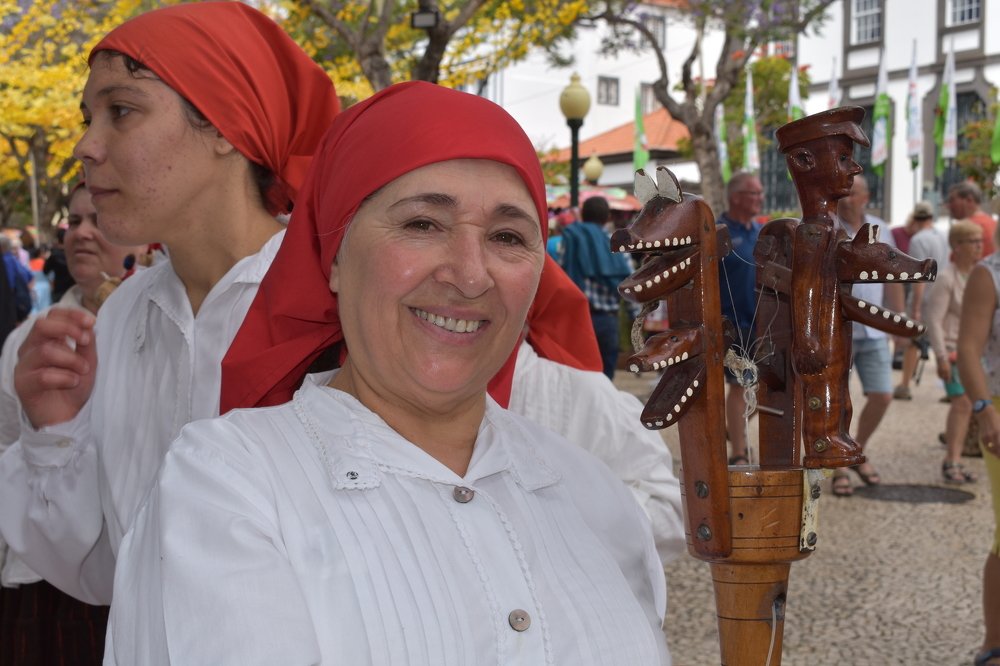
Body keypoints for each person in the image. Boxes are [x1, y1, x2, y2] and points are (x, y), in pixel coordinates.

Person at [108, 81, 670, 666]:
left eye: (508, 237)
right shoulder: (228, 488)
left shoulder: (596, 497)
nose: (470, 274)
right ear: (334, 258)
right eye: (422, 224)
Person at [0, 1, 343, 608]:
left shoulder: (340, 302)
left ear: (221, 126)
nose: (85, 145)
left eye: (121, 111)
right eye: (89, 117)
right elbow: (110, 574)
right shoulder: (125, 313)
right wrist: (54, 432)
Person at [0, 184, 141, 664]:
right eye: (73, 222)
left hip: (139, 577)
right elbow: (8, 446)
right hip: (47, 581)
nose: (82, 234)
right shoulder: (28, 340)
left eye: (98, 219)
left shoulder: (163, 330)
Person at [831, 177, 904, 495]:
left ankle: (856, 449)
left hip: (873, 329)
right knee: (839, 401)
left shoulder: (880, 228)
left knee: (882, 394)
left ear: (866, 197)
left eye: (852, 193)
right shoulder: (830, 227)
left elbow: (893, 276)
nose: (846, 199)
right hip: (838, 327)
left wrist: (898, 322)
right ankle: (839, 463)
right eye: (843, 193)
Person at [957, 224, 1000, 666]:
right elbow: (968, 348)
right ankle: (995, 641)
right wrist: (985, 408)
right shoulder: (990, 274)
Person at [925, 220, 982, 484]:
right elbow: (933, 319)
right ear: (957, 246)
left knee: (970, 406)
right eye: (973, 241)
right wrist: (939, 356)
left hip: (976, 351)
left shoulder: (978, 274)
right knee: (962, 405)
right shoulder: (947, 277)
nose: (979, 246)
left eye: (980, 240)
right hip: (952, 350)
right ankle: (952, 460)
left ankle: (957, 458)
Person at [716, 171, 764, 465]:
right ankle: (738, 454)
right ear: (735, 197)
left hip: (763, 324)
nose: (759, 198)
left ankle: (733, 427)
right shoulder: (718, 233)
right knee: (739, 386)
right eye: (753, 193)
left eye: (760, 193)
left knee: (764, 388)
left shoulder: (761, 232)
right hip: (730, 325)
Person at [557, 195, 634, 379]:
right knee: (605, 379)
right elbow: (630, 283)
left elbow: (562, 275)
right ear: (607, 217)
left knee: (579, 375)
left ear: (583, 215)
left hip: (579, 319)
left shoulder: (571, 238)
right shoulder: (616, 243)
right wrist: (634, 317)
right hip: (608, 321)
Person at [893, 201, 949, 401]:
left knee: (912, 341)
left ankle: (905, 384)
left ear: (916, 218)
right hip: (943, 295)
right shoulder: (944, 235)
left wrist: (915, 307)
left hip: (925, 297)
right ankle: (953, 387)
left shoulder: (918, 239)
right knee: (945, 341)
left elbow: (920, 275)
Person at [948, 180, 997, 258]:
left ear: (969, 200)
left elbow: (956, 263)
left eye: (952, 200)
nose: (949, 206)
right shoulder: (995, 224)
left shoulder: (964, 229)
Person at [0, 236, 33, 324]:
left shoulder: (5, 261)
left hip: (10, 305)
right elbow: (29, 276)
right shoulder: (14, 260)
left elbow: (9, 285)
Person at [43, 227, 74, 303]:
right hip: (75, 289)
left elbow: (45, 270)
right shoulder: (75, 253)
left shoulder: (54, 255)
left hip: (59, 290)